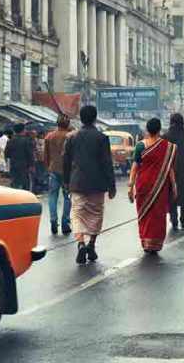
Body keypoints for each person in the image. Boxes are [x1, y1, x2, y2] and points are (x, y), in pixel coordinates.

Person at [63, 105, 116, 264]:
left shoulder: (71, 137)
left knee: (77, 213)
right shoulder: (102, 138)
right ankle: (91, 245)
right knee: (96, 214)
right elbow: (107, 163)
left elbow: (66, 161)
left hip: (77, 181)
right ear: (94, 118)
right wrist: (111, 185)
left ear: (81, 118)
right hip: (97, 183)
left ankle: (81, 244)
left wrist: (66, 181)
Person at [128, 118, 178, 254]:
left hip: (143, 185)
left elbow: (134, 166)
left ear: (147, 130)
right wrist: (174, 186)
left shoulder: (140, 146)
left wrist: (130, 186)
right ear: (159, 130)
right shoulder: (168, 146)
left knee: (144, 214)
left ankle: (146, 242)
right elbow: (170, 169)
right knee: (158, 215)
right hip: (161, 187)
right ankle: (155, 244)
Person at [44, 115, 73, 235]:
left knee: (53, 195)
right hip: (68, 171)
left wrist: (48, 167)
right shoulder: (72, 136)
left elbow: (46, 155)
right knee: (67, 196)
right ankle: (65, 222)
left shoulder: (49, 136)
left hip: (53, 169)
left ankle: (53, 221)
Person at [5, 123, 35, 191]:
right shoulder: (27, 141)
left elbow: (7, 154)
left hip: (14, 164)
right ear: (23, 130)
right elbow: (30, 154)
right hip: (25, 165)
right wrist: (32, 165)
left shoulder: (10, 141)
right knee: (26, 184)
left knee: (15, 183)